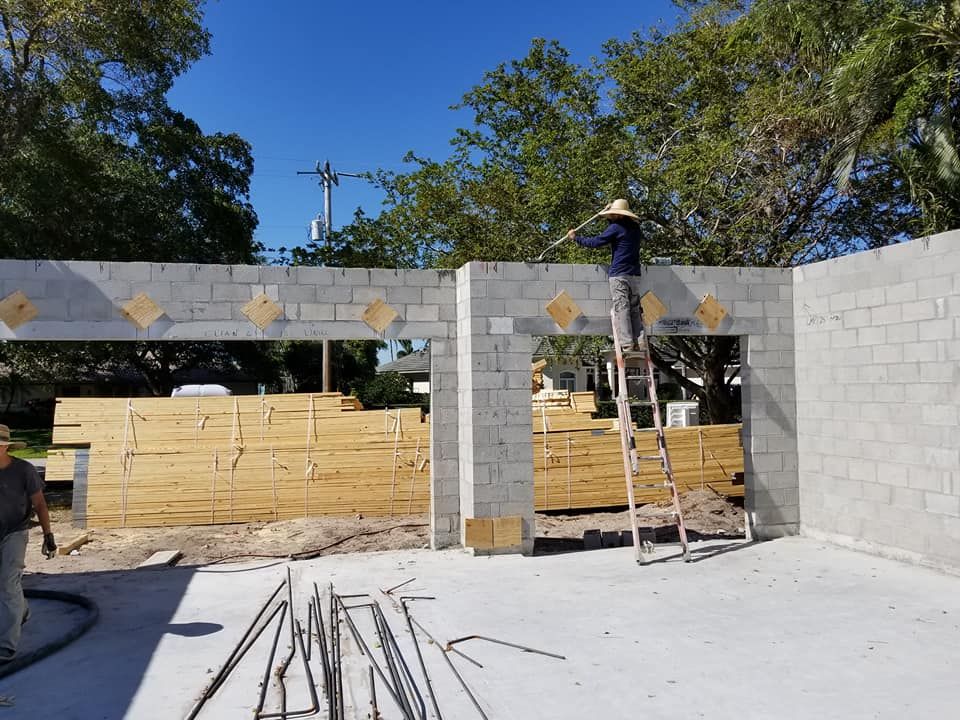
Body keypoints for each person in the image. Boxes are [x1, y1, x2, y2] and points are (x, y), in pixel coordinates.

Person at [0, 424, 56, 664]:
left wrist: (48, 535)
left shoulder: (24, 470)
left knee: (7, 582)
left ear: (6, 447)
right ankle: (21, 610)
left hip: (15, 531)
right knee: (5, 585)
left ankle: (6, 645)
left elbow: (40, 504)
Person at [567, 198, 646, 353]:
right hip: (634, 275)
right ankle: (641, 342)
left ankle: (627, 344)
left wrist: (575, 238)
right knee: (634, 310)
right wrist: (608, 213)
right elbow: (616, 229)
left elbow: (596, 242)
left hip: (619, 274)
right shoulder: (635, 228)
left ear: (619, 215)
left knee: (622, 308)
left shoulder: (616, 228)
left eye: (613, 214)